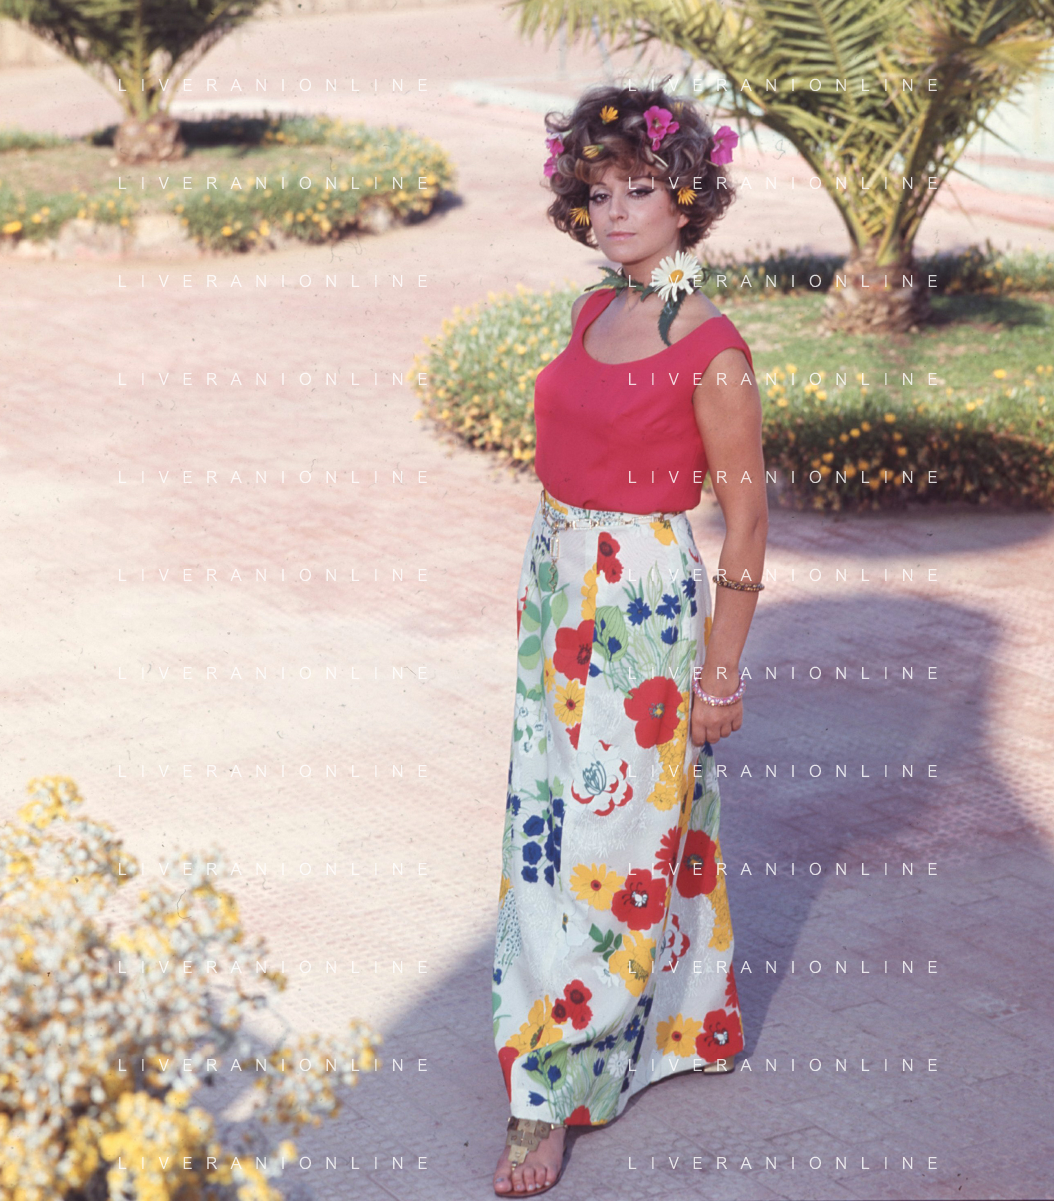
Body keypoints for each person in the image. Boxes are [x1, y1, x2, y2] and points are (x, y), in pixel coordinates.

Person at [490, 80, 768, 1196]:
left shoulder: (713, 347)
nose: (612, 213)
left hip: (639, 599)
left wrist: (720, 675)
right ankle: (685, 1020)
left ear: (685, 198)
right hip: (557, 583)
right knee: (557, 823)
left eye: (638, 191)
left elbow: (746, 519)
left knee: (610, 843)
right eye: (597, 193)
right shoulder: (589, 312)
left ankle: (551, 1093)